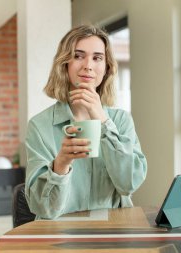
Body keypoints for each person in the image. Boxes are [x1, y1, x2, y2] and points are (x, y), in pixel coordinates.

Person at [25, 24, 147, 220]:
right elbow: (43, 208)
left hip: (113, 231)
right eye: (78, 56)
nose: (88, 65)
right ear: (65, 63)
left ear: (106, 67)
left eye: (97, 58)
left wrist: (103, 120)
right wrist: (61, 164)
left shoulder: (121, 120)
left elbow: (129, 184)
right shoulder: (40, 126)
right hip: (60, 235)